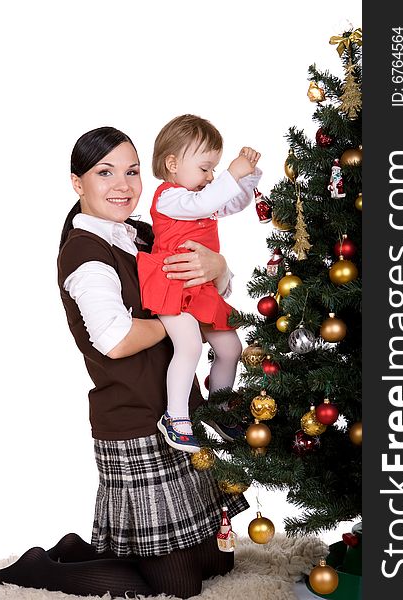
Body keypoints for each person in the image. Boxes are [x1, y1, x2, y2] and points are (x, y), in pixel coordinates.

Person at [0, 126, 249, 599]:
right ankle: (39, 571)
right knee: (180, 587)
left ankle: (80, 549)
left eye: (131, 171)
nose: (123, 185)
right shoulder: (86, 255)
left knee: (219, 560)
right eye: (104, 172)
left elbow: (201, 289)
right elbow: (115, 340)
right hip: (134, 423)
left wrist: (219, 268)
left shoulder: (145, 234)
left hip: (179, 415)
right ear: (77, 182)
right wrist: (180, 318)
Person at [137, 114, 261, 453]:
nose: (211, 177)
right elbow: (207, 202)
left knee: (230, 348)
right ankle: (175, 417)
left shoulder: (201, 197)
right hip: (171, 285)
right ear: (173, 164)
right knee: (189, 345)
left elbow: (231, 203)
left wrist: (246, 178)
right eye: (206, 168)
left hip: (200, 287)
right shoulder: (170, 198)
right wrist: (230, 175)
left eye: (215, 170)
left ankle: (218, 407)